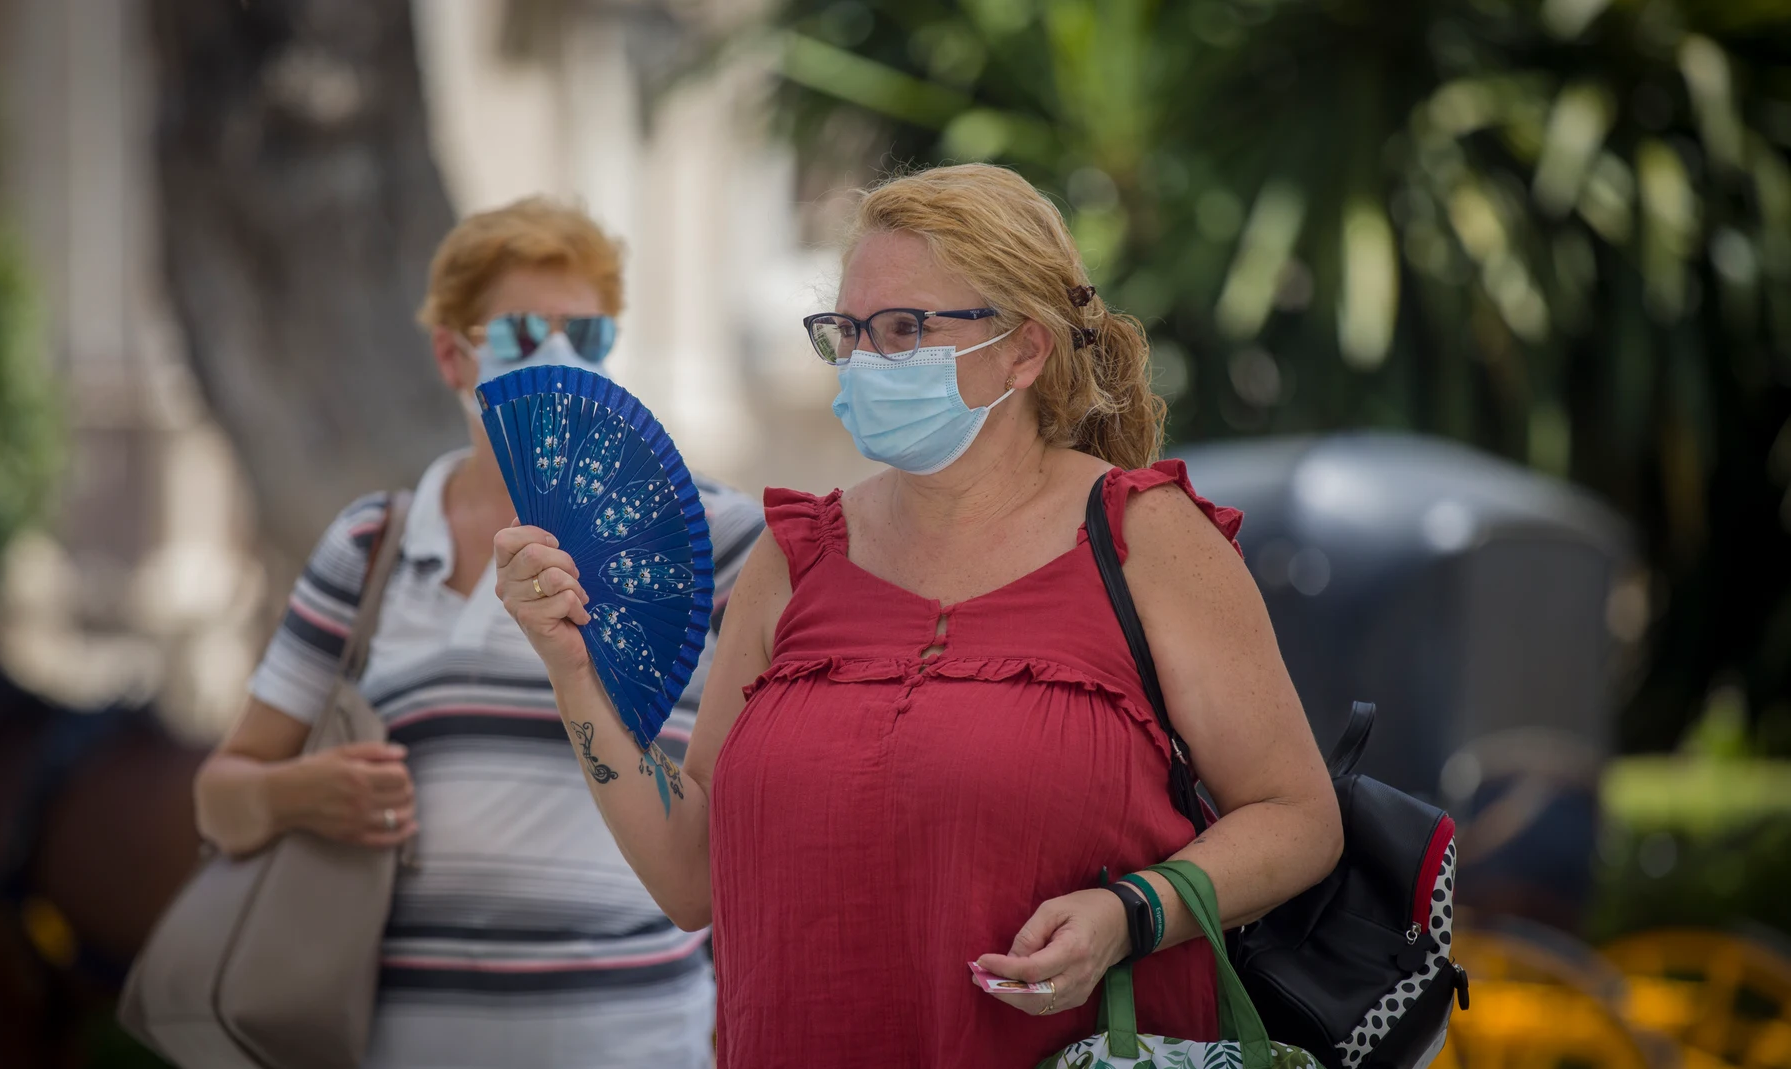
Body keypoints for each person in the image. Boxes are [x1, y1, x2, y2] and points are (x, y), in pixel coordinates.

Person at [492, 163, 1345, 1066]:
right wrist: (571, 668)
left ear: (1025, 349)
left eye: (904, 329)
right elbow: (692, 875)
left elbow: (1297, 817)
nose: (867, 359)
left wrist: (1133, 915)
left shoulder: (1145, 537)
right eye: (849, 333)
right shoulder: (796, 555)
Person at [193, 197, 763, 1068]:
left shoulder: (715, 540)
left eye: (592, 335)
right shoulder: (372, 546)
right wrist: (294, 793)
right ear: (451, 353)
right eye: (524, 336)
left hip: (641, 1041)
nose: (565, 360)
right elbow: (220, 796)